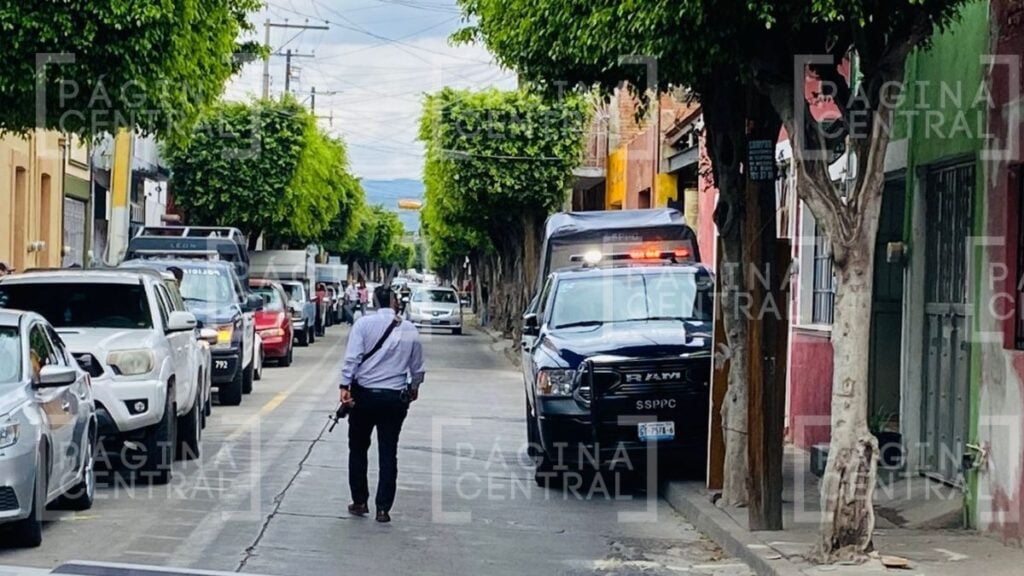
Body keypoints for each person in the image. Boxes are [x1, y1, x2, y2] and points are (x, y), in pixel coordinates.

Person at [339, 284, 424, 523]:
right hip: (394, 398)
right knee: (388, 452)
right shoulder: (408, 329)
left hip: (363, 397)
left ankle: (359, 501)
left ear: (373, 303)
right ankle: (383, 508)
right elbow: (417, 367)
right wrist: (414, 387)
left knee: (358, 448)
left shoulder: (363, 325)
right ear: (395, 302)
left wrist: (344, 386)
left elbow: (352, 358)